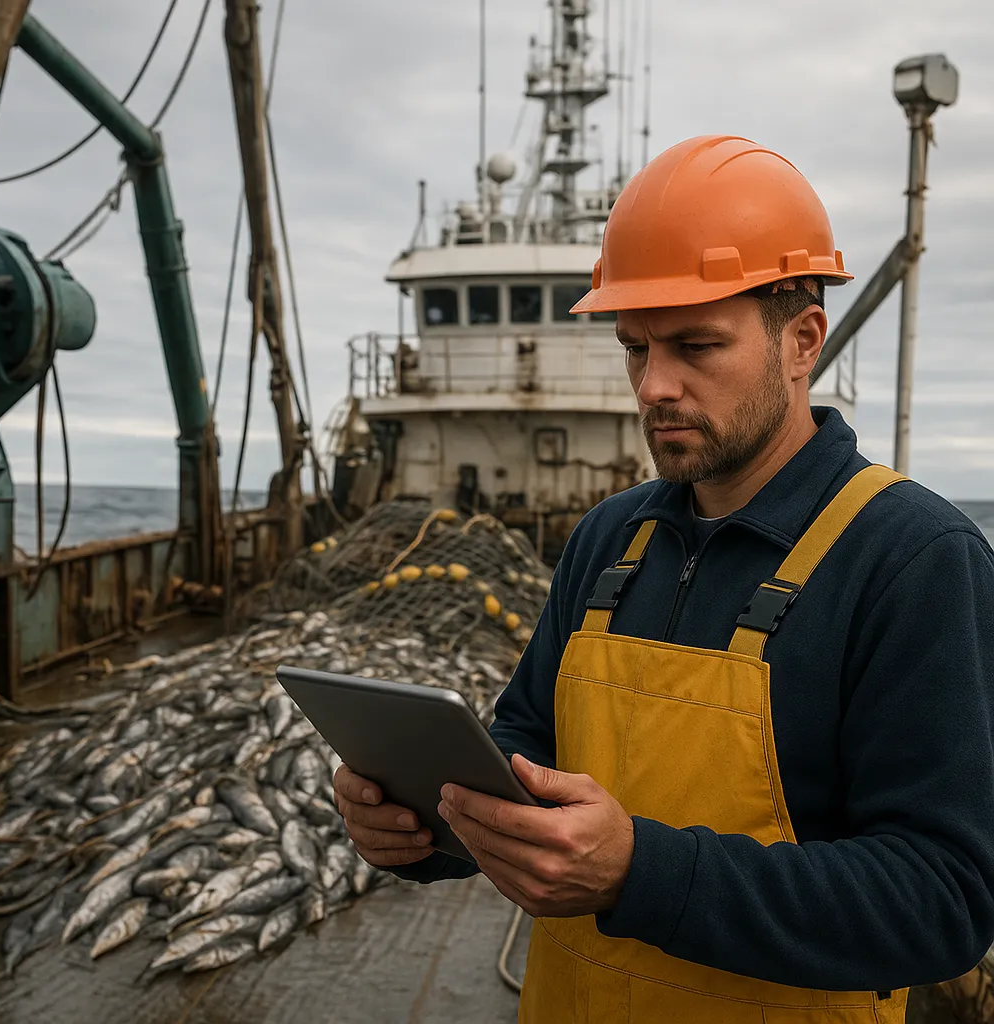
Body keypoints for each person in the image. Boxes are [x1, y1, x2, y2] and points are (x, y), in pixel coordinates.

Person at [333, 135, 994, 1022]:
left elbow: (944, 898)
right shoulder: (612, 536)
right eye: (636, 347)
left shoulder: (914, 558)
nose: (654, 385)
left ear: (802, 340)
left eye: (695, 346)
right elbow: (527, 745)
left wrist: (639, 872)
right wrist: (426, 828)